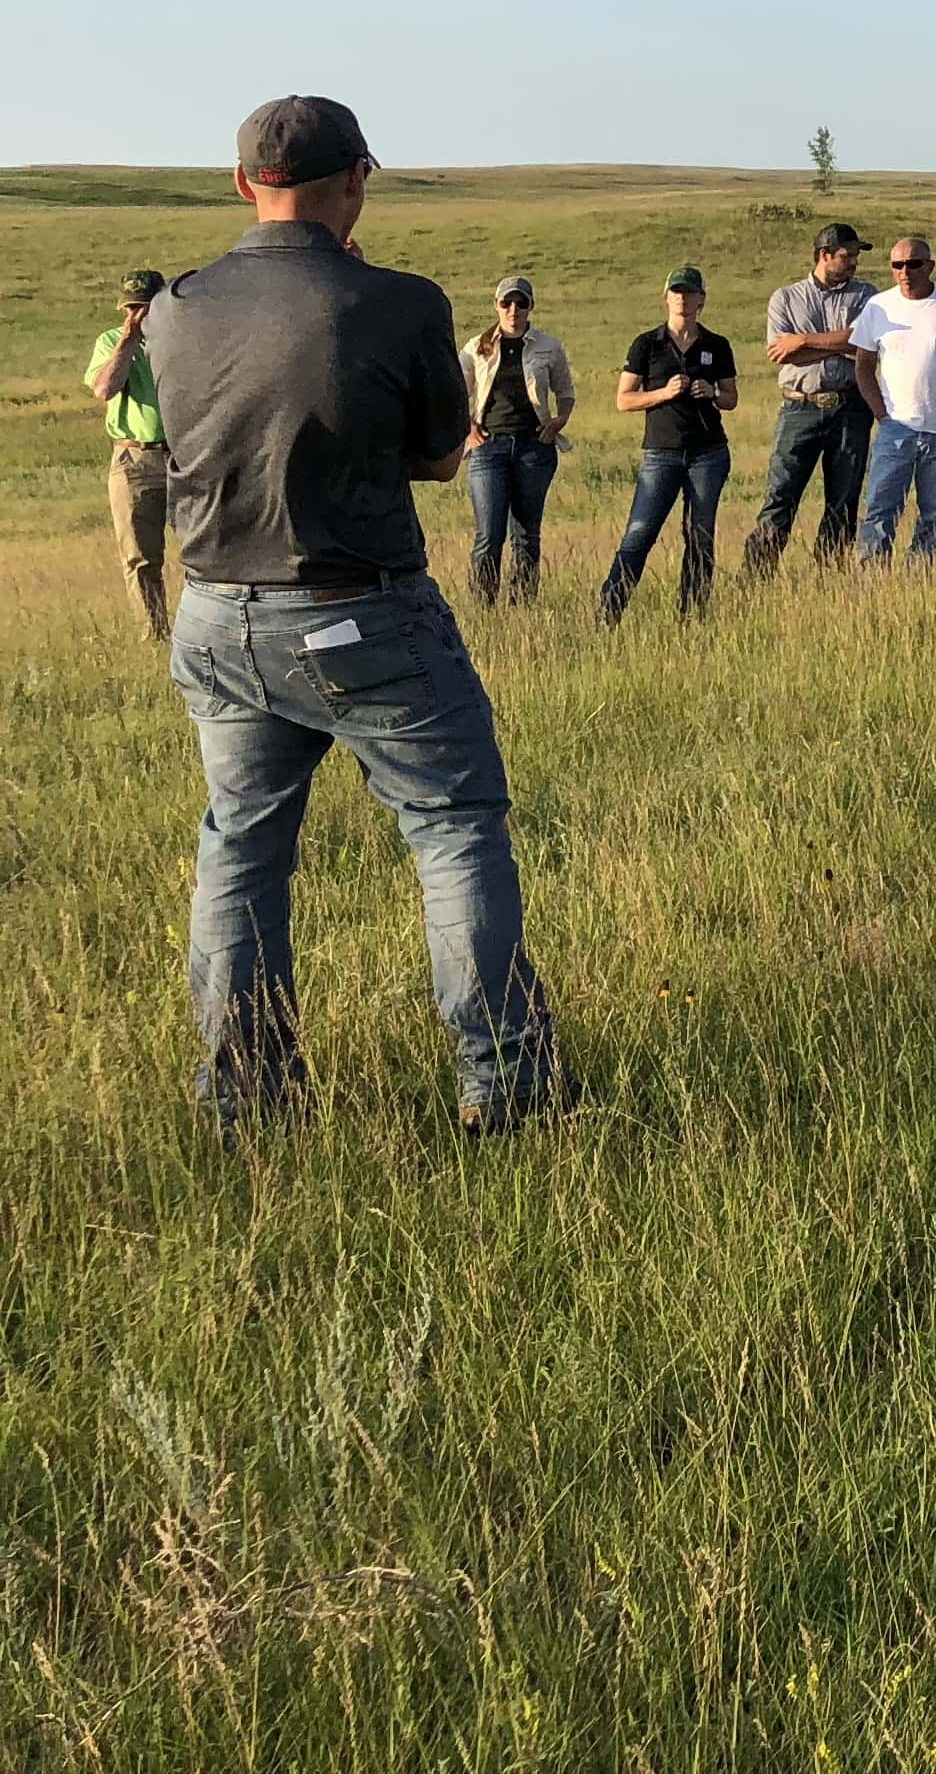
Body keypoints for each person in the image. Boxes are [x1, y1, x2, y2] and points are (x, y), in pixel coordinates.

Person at [145, 94, 561, 1135]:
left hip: (215, 612)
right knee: (454, 827)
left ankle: (245, 1097)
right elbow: (435, 456)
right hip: (358, 609)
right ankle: (504, 1083)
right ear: (356, 181)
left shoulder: (176, 308)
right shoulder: (400, 301)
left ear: (244, 184)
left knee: (240, 846)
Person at [597, 264, 741, 624]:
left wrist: (712, 392)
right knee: (641, 531)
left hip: (708, 452)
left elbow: (731, 398)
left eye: (689, 292)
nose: (682, 298)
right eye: (676, 292)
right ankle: (608, 611)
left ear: (701, 300)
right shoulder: (647, 344)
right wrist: (663, 393)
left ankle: (692, 616)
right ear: (666, 298)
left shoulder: (716, 344)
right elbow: (624, 399)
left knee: (700, 534)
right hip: (661, 453)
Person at [849, 235, 936, 563]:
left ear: (929, 266)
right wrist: (880, 413)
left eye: (913, 264)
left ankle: (921, 572)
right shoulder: (878, 307)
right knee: (880, 508)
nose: (905, 271)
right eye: (897, 265)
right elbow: (863, 366)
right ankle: (872, 575)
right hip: (896, 428)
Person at [746, 223, 876, 571]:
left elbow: (863, 343)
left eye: (856, 257)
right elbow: (782, 354)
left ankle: (828, 575)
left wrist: (803, 340)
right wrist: (837, 345)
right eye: (847, 257)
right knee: (781, 494)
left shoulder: (867, 295)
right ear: (824, 256)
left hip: (851, 406)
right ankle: (756, 575)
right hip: (799, 407)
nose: (854, 264)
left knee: (844, 499)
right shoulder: (785, 297)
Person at [454, 275, 577, 607]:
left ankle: (522, 607)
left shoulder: (548, 346)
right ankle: (484, 607)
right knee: (489, 535)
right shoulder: (477, 347)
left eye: (521, 303)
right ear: (496, 306)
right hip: (488, 447)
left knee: (526, 535)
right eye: (507, 303)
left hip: (533, 446)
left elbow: (565, 391)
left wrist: (559, 421)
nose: (513, 310)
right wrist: (467, 428)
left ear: (530, 307)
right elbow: (453, 392)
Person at [89, 265, 175, 639]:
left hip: (183, 454)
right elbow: (104, 389)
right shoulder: (111, 341)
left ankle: (201, 631)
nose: (137, 316)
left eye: (144, 308)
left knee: (205, 550)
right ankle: (153, 635)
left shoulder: (179, 338)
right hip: (133, 459)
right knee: (140, 557)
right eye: (130, 308)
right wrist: (127, 339)